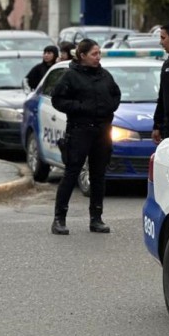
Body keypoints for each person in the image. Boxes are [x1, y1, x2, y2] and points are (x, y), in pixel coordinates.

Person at [50, 39, 121, 235]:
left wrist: (108, 107)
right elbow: (58, 100)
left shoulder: (104, 75)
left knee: (98, 174)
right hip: (80, 130)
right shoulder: (70, 76)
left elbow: (116, 94)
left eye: (99, 54)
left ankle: (96, 218)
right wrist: (81, 108)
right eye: (94, 54)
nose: (98, 57)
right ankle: (59, 219)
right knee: (72, 173)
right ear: (82, 56)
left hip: (102, 131)